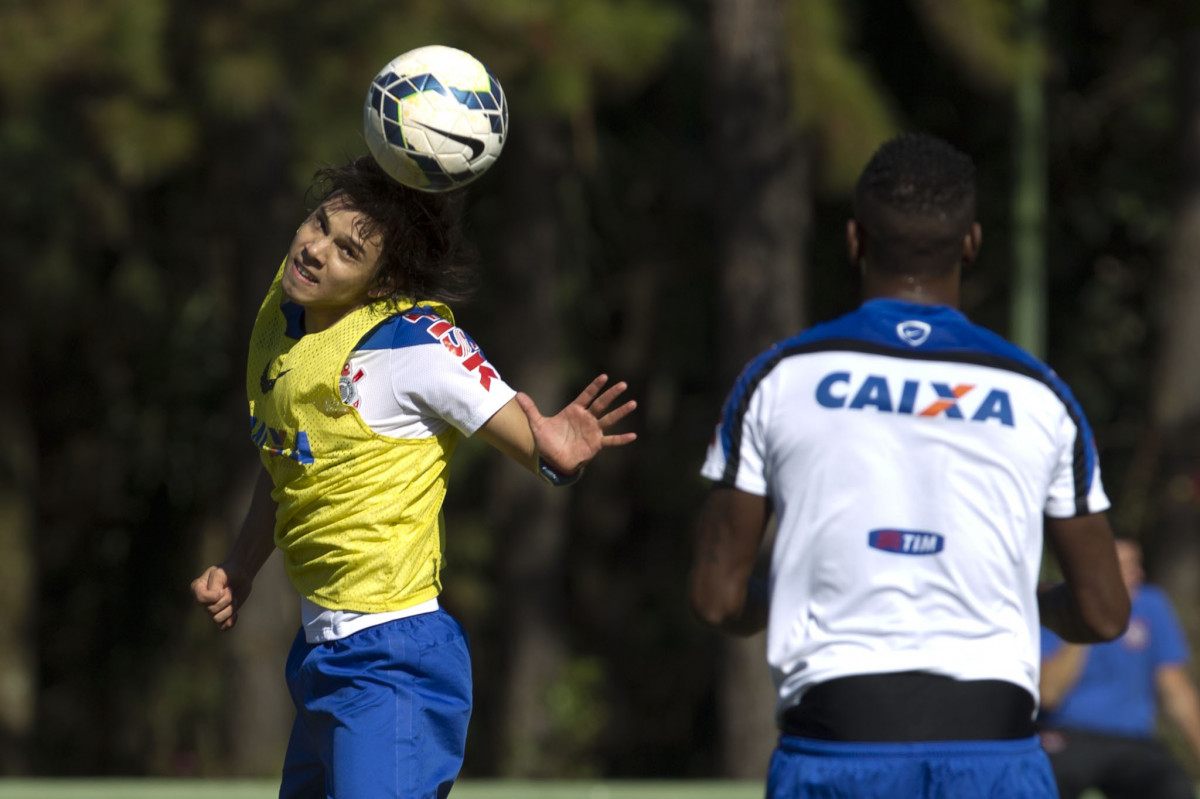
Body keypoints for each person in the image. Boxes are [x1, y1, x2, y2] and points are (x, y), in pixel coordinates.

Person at [688, 133, 1131, 799]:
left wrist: (810, 597)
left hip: (836, 743)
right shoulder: (1042, 396)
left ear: (855, 240)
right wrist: (1019, 603)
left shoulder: (778, 378)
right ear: (973, 242)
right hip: (995, 750)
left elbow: (717, 597)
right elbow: (1102, 614)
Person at [190, 155, 637, 799]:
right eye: (318, 224)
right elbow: (286, 459)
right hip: (320, 655)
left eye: (347, 251)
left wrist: (555, 453)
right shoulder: (284, 319)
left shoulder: (411, 347)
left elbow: (538, 444)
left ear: (382, 283)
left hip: (392, 660)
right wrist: (241, 566)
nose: (316, 250)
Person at [1039, 536, 1200, 799]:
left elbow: (1177, 691)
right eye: (1123, 567)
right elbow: (1048, 693)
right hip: (1067, 735)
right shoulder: (1055, 604)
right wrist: (1089, 619)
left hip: (1133, 741)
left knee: (1173, 788)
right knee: (1044, 784)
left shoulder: (1151, 605)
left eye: (1136, 565)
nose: (1136, 574)